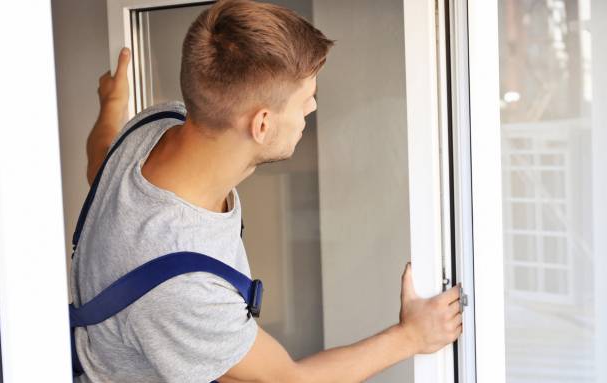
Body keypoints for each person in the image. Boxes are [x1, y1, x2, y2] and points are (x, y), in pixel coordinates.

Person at [71, 0, 462, 382]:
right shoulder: (183, 287)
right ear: (262, 124)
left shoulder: (157, 125)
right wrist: (411, 336)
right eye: (305, 98)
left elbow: (101, 164)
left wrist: (112, 105)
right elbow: (289, 380)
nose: (312, 107)